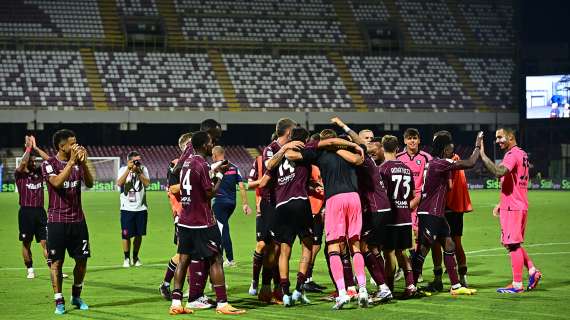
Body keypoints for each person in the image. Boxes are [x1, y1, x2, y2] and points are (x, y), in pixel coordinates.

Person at [286, 129, 368, 310]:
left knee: (333, 246)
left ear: (323, 141)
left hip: (334, 199)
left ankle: (342, 293)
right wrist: (349, 144)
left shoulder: (319, 152)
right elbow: (359, 157)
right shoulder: (352, 152)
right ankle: (363, 290)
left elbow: (292, 154)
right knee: (355, 244)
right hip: (354, 198)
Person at [169, 131, 245, 315]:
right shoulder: (201, 163)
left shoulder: (186, 163)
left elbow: (195, 185)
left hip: (185, 220)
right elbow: (209, 193)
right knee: (216, 258)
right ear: (203, 145)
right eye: (210, 142)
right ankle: (222, 303)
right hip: (202, 221)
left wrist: (215, 171)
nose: (212, 145)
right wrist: (220, 175)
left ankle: (176, 303)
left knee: (184, 259)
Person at [411, 132, 481, 296]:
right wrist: (478, 145)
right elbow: (470, 163)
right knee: (422, 249)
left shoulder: (434, 163)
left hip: (437, 212)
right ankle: (411, 286)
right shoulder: (439, 163)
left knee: (449, 245)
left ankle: (456, 286)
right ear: (444, 148)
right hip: (430, 212)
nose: (452, 147)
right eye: (449, 145)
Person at [480, 128, 542, 293]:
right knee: (512, 243)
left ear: (510, 136)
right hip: (517, 204)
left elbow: (499, 171)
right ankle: (532, 271)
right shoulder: (522, 153)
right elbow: (512, 181)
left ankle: (517, 285)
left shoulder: (511, 155)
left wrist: (482, 155)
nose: (498, 141)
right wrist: (501, 203)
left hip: (513, 207)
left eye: (500, 137)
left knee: (513, 245)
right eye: (496, 138)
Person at [41, 129, 94, 314]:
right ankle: (59, 301)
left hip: (78, 221)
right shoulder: (49, 164)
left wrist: (84, 164)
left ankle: (76, 296)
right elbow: (56, 183)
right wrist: (72, 162)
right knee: (56, 262)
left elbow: (90, 183)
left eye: (76, 142)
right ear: (61, 146)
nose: (76, 146)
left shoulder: (78, 163)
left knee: (82, 261)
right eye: (72, 143)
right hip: (56, 221)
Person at [428, 131, 473, 291]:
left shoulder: (447, 161)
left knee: (436, 243)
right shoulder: (455, 158)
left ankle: (439, 279)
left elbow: (450, 186)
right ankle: (462, 278)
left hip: (444, 207)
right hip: (455, 208)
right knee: (455, 242)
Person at [379, 135, 420, 298]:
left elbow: (382, 196)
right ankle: (411, 284)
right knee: (401, 252)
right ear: (397, 149)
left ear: (383, 148)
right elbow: (410, 196)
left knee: (388, 253)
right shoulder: (407, 169)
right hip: (404, 216)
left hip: (390, 217)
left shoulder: (382, 169)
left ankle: (388, 287)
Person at [396, 128, 431, 282]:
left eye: (414, 138)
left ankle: (418, 269)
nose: (412, 141)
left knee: (418, 236)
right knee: (400, 236)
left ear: (419, 140)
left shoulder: (426, 158)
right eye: (409, 138)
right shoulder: (398, 158)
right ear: (404, 140)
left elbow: (428, 183)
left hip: (419, 202)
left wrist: (417, 198)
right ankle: (402, 268)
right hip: (401, 201)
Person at [160, 132, 192, 301]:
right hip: (182, 214)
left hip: (197, 214)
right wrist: (191, 180)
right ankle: (166, 284)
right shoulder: (175, 164)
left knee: (192, 253)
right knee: (184, 253)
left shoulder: (196, 163)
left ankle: (191, 287)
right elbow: (173, 188)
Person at [211, 146, 252, 267]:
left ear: (214, 155)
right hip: (231, 204)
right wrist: (245, 204)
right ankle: (224, 257)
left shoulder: (213, 167)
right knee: (223, 227)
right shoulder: (235, 168)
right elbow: (241, 186)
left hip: (218, 202)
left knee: (222, 229)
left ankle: (229, 259)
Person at [15, 135, 50, 279]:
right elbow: (23, 163)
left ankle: (53, 268)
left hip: (40, 212)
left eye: (34, 159)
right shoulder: (20, 174)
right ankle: (30, 269)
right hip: (26, 212)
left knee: (47, 242)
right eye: (32, 159)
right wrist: (28, 148)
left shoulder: (39, 173)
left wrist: (35, 148)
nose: (34, 161)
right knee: (26, 243)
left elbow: (50, 161)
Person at [117, 151, 150, 267]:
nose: (138, 162)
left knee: (138, 235)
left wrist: (138, 172)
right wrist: (128, 170)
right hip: (126, 209)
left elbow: (147, 184)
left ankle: (135, 257)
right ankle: (126, 258)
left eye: (138, 160)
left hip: (141, 208)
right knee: (125, 234)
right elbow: (119, 183)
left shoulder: (143, 169)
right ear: (129, 161)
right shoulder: (122, 169)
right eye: (135, 160)